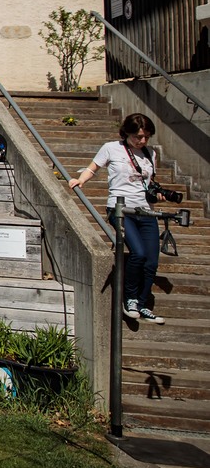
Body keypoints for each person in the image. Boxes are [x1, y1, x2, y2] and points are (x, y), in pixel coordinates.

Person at [69, 113, 166, 323]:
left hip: (145, 210)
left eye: (146, 137)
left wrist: (157, 194)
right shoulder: (111, 148)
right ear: (126, 133)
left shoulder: (150, 153)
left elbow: (149, 182)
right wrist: (80, 180)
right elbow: (93, 168)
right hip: (120, 209)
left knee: (151, 261)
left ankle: (142, 305)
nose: (142, 141)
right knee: (138, 253)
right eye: (138, 136)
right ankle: (129, 298)